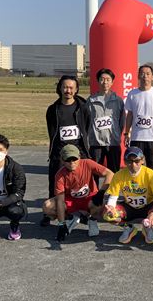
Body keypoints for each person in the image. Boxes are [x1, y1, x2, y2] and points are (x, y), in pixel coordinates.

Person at [44, 75, 91, 226]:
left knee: (81, 184)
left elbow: (87, 127)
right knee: (55, 183)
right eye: (65, 87)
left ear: (76, 90)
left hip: (79, 153)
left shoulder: (83, 108)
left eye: (71, 88)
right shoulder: (53, 109)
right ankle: (51, 213)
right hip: (59, 153)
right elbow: (52, 131)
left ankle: (83, 212)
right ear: (60, 88)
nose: (68, 90)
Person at [42, 145, 114, 242]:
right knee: (47, 206)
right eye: (68, 160)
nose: (72, 163)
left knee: (102, 205)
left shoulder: (88, 163)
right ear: (62, 160)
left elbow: (110, 174)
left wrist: (101, 192)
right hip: (71, 200)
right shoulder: (60, 175)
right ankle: (70, 218)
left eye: (74, 159)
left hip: (89, 198)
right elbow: (60, 201)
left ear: (79, 157)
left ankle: (92, 220)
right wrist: (61, 224)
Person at [103, 146, 153, 245]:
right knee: (108, 215)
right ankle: (129, 228)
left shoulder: (151, 174)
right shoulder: (118, 175)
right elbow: (113, 197)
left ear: (142, 160)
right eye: (129, 161)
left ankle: (147, 228)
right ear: (124, 161)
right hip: (129, 207)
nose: (133, 165)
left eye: (136, 161)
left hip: (147, 206)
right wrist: (111, 207)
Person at [123, 64, 153, 171]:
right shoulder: (132, 94)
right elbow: (129, 115)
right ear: (138, 76)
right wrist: (126, 133)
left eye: (148, 74)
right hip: (136, 137)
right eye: (142, 74)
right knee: (136, 168)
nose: (145, 76)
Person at [87, 68, 125, 172]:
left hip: (113, 143)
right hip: (96, 144)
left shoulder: (118, 101)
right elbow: (87, 121)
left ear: (112, 82)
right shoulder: (90, 100)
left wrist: (116, 135)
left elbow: (121, 122)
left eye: (108, 79)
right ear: (98, 81)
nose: (105, 82)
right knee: (94, 172)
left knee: (114, 173)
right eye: (102, 79)